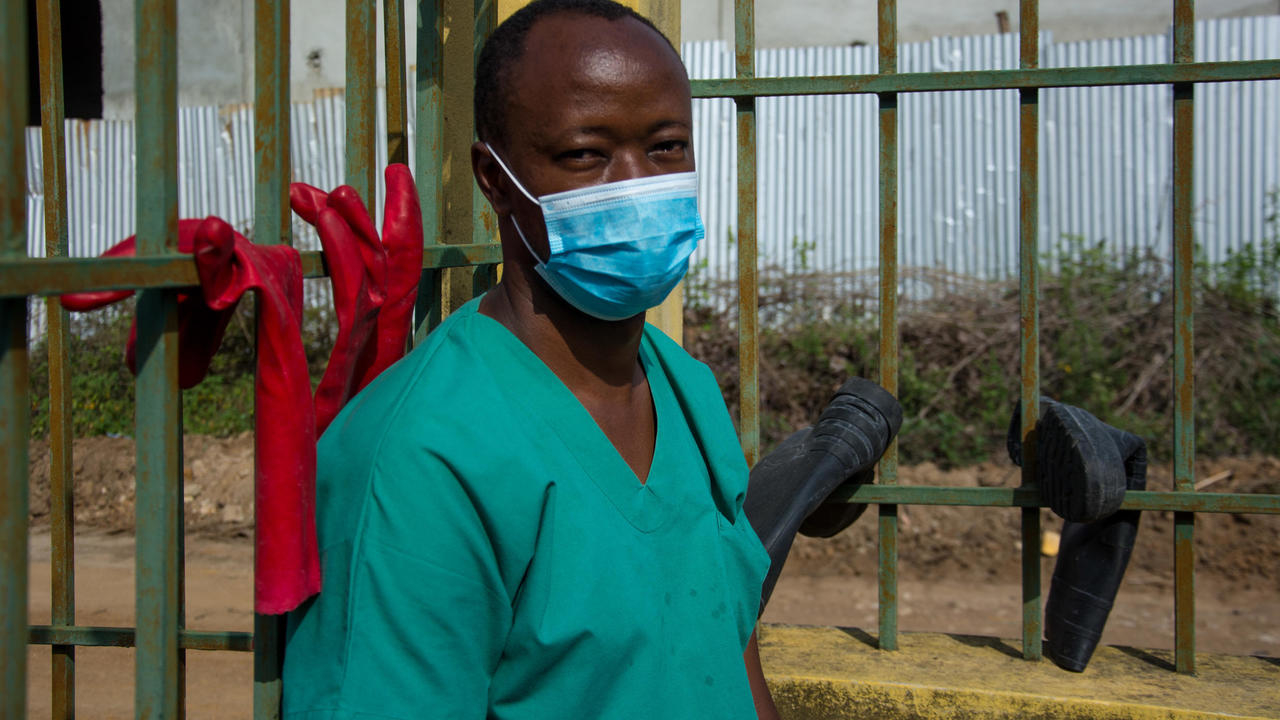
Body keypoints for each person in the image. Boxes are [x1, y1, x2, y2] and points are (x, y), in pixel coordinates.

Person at [282, 1, 779, 717]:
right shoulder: (421, 459)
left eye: (666, 146)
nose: (634, 184)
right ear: (494, 178)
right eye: (585, 154)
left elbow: (730, 655)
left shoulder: (688, 391)